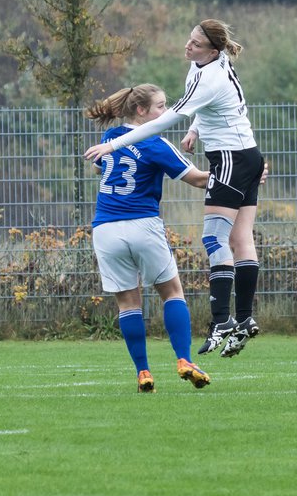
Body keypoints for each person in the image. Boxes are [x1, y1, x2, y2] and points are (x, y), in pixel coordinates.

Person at [84, 19, 265, 359]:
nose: (188, 46)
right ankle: (243, 318)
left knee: (214, 239)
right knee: (241, 240)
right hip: (244, 155)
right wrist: (197, 130)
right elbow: (202, 105)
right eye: (189, 39)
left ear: (213, 50)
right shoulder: (208, 65)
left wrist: (113, 146)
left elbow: (169, 120)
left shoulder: (207, 78)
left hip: (229, 158)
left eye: (195, 43)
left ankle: (221, 321)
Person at [86, 84, 213, 393]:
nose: (165, 113)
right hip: (142, 224)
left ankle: (143, 372)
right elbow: (196, 179)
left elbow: (99, 168)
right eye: (160, 107)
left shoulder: (110, 139)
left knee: (128, 303)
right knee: (172, 293)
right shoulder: (156, 144)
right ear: (141, 111)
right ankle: (184, 360)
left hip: (105, 229)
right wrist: (237, 176)